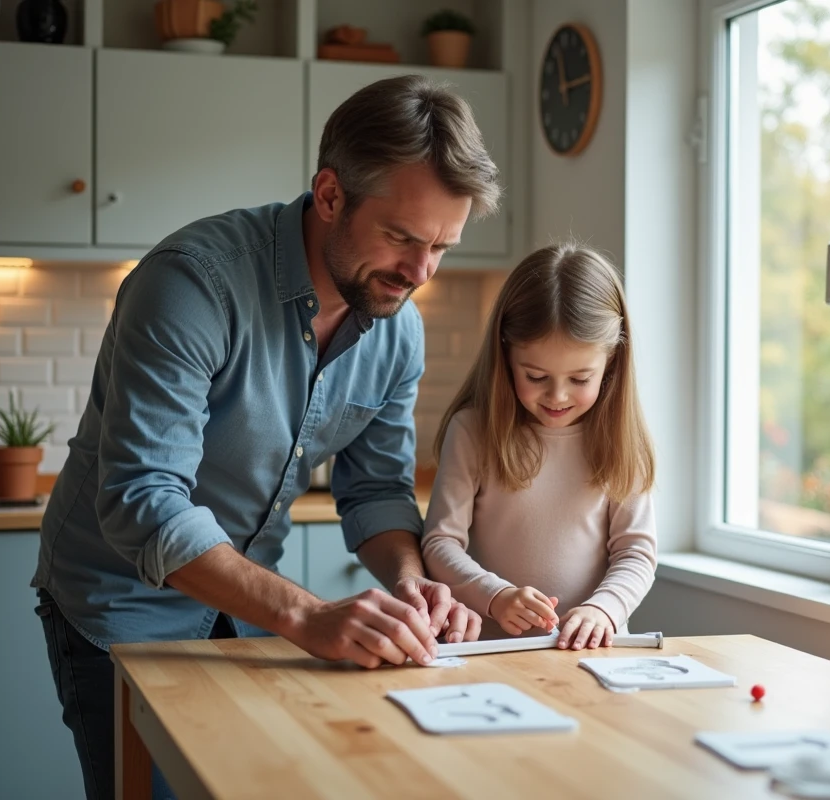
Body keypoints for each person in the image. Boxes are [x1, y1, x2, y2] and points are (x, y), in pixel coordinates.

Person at [31, 74, 499, 800]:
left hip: (250, 614)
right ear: (331, 193)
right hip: (118, 607)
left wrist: (413, 586)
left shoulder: (397, 327)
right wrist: (308, 615)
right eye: (403, 237)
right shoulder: (192, 284)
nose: (421, 272)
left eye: (442, 246)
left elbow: (374, 490)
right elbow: (143, 499)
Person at [421, 243, 658, 648]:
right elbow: (440, 543)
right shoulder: (473, 431)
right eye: (535, 376)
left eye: (580, 379)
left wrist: (604, 609)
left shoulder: (621, 441)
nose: (557, 396)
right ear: (505, 356)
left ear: (612, 363)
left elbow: (636, 552)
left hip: (592, 654)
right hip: (490, 650)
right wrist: (493, 595)